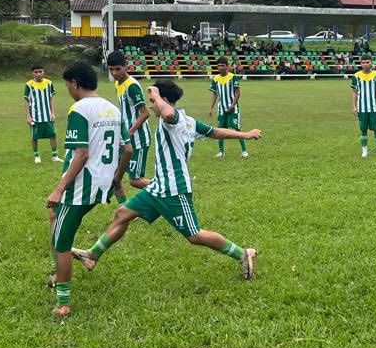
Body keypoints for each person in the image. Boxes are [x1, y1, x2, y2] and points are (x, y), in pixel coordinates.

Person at [72, 79, 262, 281]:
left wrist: (154, 93)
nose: (151, 105)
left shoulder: (173, 119)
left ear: (162, 99)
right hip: (157, 188)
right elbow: (216, 132)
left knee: (195, 235)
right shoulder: (188, 120)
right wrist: (246, 134)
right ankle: (92, 255)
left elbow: (169, 113)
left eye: (153, 101)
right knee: (122, 213)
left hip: (173, 188)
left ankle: (243, 253)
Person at [45, 61, 124, 318]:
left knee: (62, 242)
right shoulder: (113, 109)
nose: (68, 90)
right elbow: (128, 149)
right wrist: (116, 178)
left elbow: (80, 153)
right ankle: (59, 273)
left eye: (68, 85)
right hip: (102, 183)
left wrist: (59, 188)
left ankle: (63, 302)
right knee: (55, 216)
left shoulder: (79, 109)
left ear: (75, 84)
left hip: (82, 185)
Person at [106, 51, 151, 197]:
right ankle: (124, 211)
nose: (114, 73)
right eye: (111, 69)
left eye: (117, 69)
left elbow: (145, 113)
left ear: (126, 67)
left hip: (139, 139)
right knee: (114, 176)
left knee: (135, 181)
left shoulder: (132, 86)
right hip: (125, 138)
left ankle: (165, 188)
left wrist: (130, 132)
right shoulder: (118, 84)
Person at [208, 56, 248, 159]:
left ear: (227, 66)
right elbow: (214, 94)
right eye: (218, 66)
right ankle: (221, 152)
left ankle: (244, 151)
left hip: (233, 108)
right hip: (221, 108)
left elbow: (238, 93)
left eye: (222, 65)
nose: (220, 67)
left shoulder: (232, 77)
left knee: (237, 129)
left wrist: (232, 105)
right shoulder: (215, 78)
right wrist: (211, 108)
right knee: (220, 130)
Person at [23, 64, 61, 164]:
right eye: (36, 72)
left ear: (43, 72)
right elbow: (26, 101)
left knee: (53, 135)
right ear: (32, 73)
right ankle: (36, 156)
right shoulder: (29, 85)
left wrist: (53, 113)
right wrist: (28, 116)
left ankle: (55, 156)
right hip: (35, 116)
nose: (38, 74)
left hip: (47, 115)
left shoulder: (49, 83)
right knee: (34, 137)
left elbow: (51, 99)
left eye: (40, 72)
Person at [351, 55, 376, 158]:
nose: (365, 64)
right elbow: (354, 92)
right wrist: (354, 107)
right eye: (363, 62)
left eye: (367, 62)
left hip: (374, 108)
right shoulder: (356, 76)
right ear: (361, 64)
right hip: (361, 108)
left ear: (371, 63)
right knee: (363, 129)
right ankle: (364, 152)